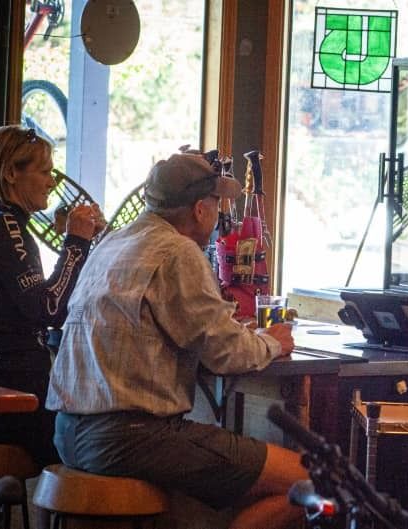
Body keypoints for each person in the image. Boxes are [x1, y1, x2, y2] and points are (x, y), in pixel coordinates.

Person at [46, 153, 307, 529]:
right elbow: (226, 351)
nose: (220, 213)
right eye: (217, 203)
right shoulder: (178, 251)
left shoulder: (112, 244)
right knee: (312, 479)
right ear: (201, 209)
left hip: (69, 433)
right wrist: (273, 342)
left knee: (208, 500)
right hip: (130, 438)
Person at [0, 125, 104, 466]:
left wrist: (79, 246)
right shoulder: (5, 227)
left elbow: (48, 304)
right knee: (97, 451)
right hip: (4, 394)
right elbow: (48, 308)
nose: (53, 182)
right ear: (11, 174)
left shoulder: (0, 224)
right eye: (45, 171)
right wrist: (76, 243)